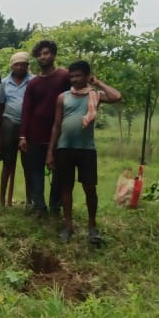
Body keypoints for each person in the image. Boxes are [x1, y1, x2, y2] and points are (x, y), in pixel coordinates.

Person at [46, 60, 121, 243]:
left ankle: (92, 226)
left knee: (89, 188)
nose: (75, 79)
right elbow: (56, 126)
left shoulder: (95, 95)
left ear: (87, 76)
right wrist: (50, 151)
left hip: (87, 149)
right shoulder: (63, 97)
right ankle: (68, 226)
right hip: (64, 148)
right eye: (72, 76)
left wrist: (99, 83)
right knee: (66, 188)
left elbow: (116, 96)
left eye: (79, 75)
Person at [19, 40, 71, 218]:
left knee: (59, 172)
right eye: (39, 54)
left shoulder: (65, 77)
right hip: (35, 135)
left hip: (60, 135)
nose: (43, 57)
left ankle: (55, 206)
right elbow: (26, 110)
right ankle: (39, 206)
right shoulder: (33, 83)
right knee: (35, 172)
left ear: (54, 54)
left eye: (46, 53)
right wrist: (23, 136)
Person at [0, 51, 33, 207]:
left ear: (27, 66)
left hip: (28, 126)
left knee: (28, 165)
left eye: (23, 64)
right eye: (17, 64)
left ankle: (30, 201)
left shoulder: (33, 81)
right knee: (8, 163)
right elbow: (0, 106)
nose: (20, 67)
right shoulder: (5, 83)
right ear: (12, 66)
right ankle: (2, 201)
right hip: (9, 124)